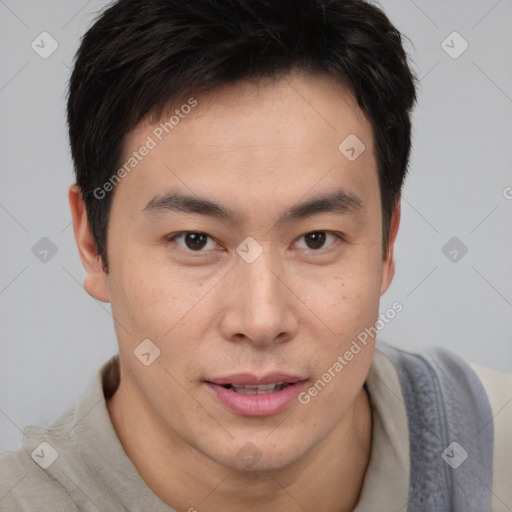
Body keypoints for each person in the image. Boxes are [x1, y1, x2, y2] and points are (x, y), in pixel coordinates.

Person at [1, 0, 510, 510]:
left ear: (387, 241)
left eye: (316, 239)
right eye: (195, 240)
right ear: (92, 242)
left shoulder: (493, 451)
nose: (262, 320)